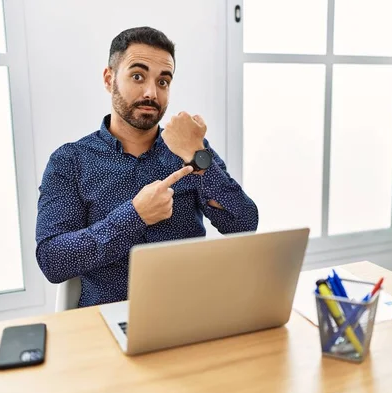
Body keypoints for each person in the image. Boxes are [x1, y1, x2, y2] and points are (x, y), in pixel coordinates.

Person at [35, 27, 258, 307]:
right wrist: (135, 215)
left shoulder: (188, 148)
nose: (151, 93)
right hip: (109, 318)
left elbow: (244, 225)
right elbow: (53, 260)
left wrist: (198, 156)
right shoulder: (70, 161)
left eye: (163, 82)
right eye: (138, 76)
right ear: (109, 79)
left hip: (190, 312)